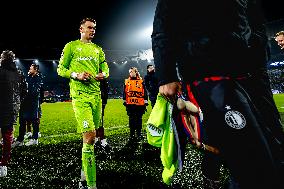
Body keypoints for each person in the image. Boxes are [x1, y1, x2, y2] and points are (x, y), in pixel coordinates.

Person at [151, 0, 284, 188]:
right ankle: (213, 175)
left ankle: (213, 176)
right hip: (209, 73)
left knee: (276, 148)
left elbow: (256, 19)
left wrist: (257, 51)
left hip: (252, 74)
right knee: (253, 163)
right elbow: (163, 26)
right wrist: (166, 75)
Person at [57, 17, 109, 189]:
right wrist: (76, 75)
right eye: (89, 27)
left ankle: (84, 174)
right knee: (90, 137)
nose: (92, 30)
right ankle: (90, 185)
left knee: (89, 140)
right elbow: (60, 69)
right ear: (81, 29)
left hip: (96, 96)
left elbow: (105, 68)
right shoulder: (71, 46)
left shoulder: (98, 49)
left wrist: (104, 74)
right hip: (80, 97)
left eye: (94, 28)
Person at [0, 50, 27, 177]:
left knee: (6, 136)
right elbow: (24, 91)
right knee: (7, 136)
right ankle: (4, 165)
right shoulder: (19, 73)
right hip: (12, 108)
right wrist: (17, 102)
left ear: (3, 58)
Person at [13, 63, 43, 147]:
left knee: (34, 121)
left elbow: (34, 91)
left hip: (32, 103)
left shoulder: (38, 78)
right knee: (22, 121)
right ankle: (20, 140)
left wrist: (24, 92)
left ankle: (35, 139)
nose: (29, 70)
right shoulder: (28, 77)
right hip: (24, 103)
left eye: (31, 69)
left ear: (35, 70)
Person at [123, 67, 148, 145]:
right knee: (131, 120)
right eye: (129, 72)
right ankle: (132, 134)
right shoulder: (127, 81)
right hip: (130, 105)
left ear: (136, 72)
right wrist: (124, 101)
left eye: (132, 72)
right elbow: (124, 93)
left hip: (139, 104)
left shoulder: (141, 82)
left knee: (138, 120)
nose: (130, 73)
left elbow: (145, 93)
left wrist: (145, 102)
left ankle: (139, 134)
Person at [94, 76, 112, 153]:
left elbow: (105, 90)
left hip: (100, 102)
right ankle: (95, 140)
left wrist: (104, 101)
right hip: (89, 101)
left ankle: (101, 141)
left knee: (100, 122)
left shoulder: (102, 77)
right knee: (92, 123)